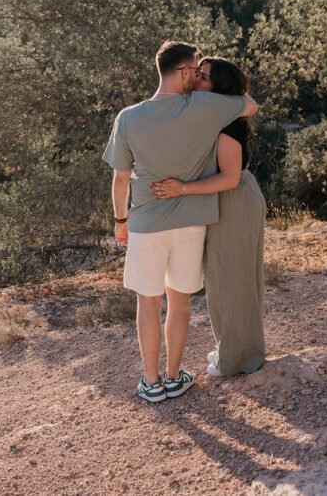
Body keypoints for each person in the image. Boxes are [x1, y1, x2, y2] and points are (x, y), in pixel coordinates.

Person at [103, 42, 258, 402]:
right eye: (195, 72)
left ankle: (151, 382)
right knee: (180, 301)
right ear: (185, 72)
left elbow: (121, 178)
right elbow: (249, 104)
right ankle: (174, 376)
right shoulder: (203, 108)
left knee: (148, 303)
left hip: (145, 223)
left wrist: (119, 220)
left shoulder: (128, 117)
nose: (196, 78)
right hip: (192, 221)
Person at [151, 57, 267, 377]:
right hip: (229, 200)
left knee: (231, 280)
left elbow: (229, 177)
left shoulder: (227, 123)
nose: (196, 81)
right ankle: (237, 347)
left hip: (233, 200)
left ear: (218, 88)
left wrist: (181, 189)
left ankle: (237, 358)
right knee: (226, 278)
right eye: (197, 74)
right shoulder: (213, 115)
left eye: (203, 77)